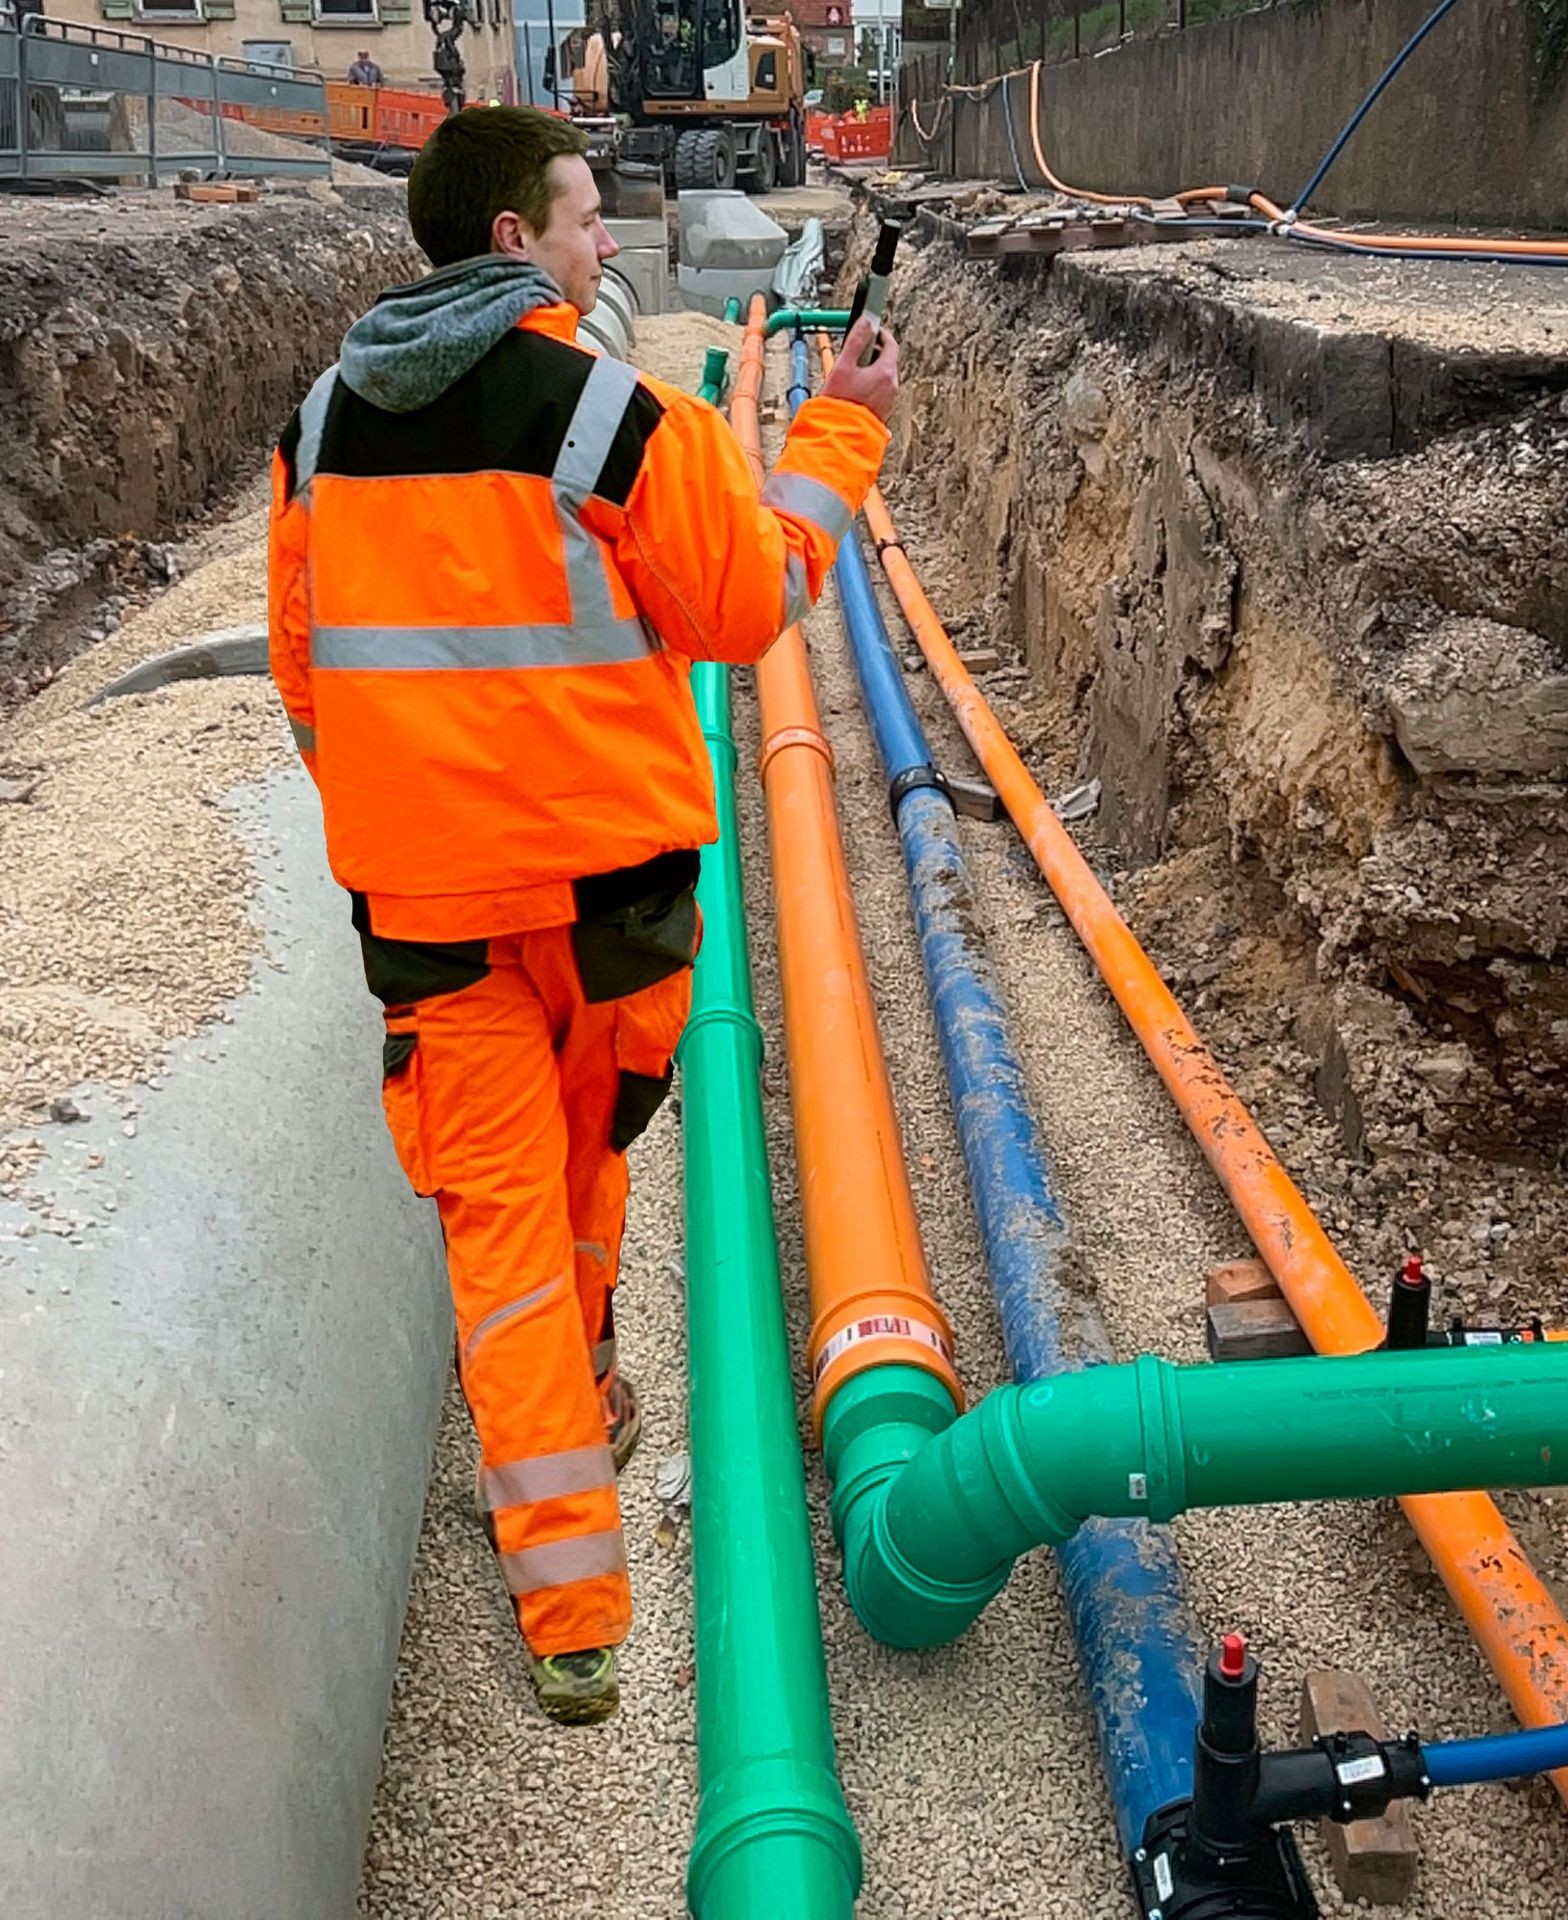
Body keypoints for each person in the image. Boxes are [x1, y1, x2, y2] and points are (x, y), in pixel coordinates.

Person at [267, 107, 898, 1726]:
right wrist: (838, 436)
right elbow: (752, 600)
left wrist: (410, 812)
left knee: (502, 1239)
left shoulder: (316, 437)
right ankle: (598, 1391)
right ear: (509, 244)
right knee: (590, 1154)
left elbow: (307, 680)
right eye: (578, 218)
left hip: (432, 920)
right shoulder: (610, 417)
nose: (603, 240)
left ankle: (572, 1625)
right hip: (616, 911)